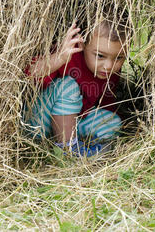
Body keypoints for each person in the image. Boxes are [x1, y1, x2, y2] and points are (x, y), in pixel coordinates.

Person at [24, 17, 128, 157]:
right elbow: (27, 74)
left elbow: (106, 104)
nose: (109, 65)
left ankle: (86, 150)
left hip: (72, 124)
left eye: (119, 58)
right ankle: (67, 150)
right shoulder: (68, 55)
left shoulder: (110, 72)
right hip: (38, 123)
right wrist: (59, 58)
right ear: (82, 43)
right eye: (100, 56)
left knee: (112, 121)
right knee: (68, 86)